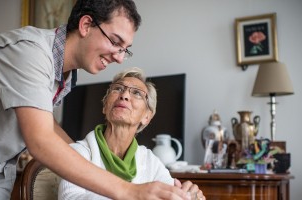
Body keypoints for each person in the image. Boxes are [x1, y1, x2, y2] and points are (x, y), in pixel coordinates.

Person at [0, 0, 188, 199]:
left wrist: (85, 154)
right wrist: (129, 191)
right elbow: (40, 140)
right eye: (115, 42)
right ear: (86, 24)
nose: (118, 56)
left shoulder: (65, 76)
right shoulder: (29, 52)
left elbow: (45, 122)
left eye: (125, 50)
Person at [58, 67, 206, 200]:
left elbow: (170, 194)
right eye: (117, 89)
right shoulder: (77, 153)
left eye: (136, 93)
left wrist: (188, 196)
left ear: (146, 117)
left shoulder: (150, 161)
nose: (124, 95)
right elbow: (70, 197)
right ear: (105, 106)